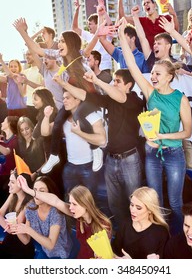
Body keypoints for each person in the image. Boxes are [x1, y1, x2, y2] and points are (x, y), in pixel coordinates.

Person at [118, 17, 192, 236]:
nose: (153, 77)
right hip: (152, 153)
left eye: (158, 74)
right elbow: (131, 65)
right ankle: (161, 238)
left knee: (176, 202)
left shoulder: (181, 98)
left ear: (169, 77)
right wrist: (122, 35)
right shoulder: (150, 92)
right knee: (156, 201)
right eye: (153, 74)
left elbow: (187, 132)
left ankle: (181, 239)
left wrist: (163, 134)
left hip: (175, 153)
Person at [53, 68, 144, 228]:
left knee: (134, 200)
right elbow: (84, 95)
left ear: (129, 85)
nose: (114, 83)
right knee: (114, 204)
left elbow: (121, 98)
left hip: (129, 159)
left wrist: (96, 80)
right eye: (113, 80)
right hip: (111, 159)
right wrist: (62, 83)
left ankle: (135, 234)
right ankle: (122, 234)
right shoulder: (110, 100)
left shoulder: (134, 100)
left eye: (118, 81)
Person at [13, 18, 106, 173]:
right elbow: (38, 50)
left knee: (80, 115)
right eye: (59, 41)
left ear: (72, 44)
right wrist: (22, 32)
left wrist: (97, 34)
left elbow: (89, 47)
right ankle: (54, 155)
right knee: (57, 124)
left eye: (63, 41)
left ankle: (96, 149)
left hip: (92, 98)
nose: (59, 44)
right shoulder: (59, 56)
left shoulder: (80, 56)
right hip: (74, 99)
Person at [17, 176, 112, 259]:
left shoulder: (102, 225)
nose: (70, 207)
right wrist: (28, 190)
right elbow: (56, 201)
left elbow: (104, 257)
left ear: (85, 205)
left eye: (74, 204)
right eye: (70, 203)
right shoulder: (80, 217)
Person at [42, 90, 106, 200]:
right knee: (70, 201)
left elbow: (102, 140)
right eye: (63, 98)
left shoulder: (92, 116)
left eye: (67, 98)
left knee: (90, 202)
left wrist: (79, 133)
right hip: (70, 166)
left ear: (77, 99)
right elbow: (45, 132)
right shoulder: (64, 119)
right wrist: (46, 116)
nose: (64, 101)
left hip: (89, 166)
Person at [13, 175, 72, 259]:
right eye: (35, 190)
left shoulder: (56, 212)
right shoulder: (30, 208)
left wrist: (28, 230)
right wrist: (16, 227)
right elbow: (26, 240)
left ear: (49, 194)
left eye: (42, 191)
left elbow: (51, 245)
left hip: (60, 254)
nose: (37, 194)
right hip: (44, 250)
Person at [112, 186, 169, 259]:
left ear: (150, 210)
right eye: (132, 205)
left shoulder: (161, 233)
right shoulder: (125, 224)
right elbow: (115, 252)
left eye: (138, 208)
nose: (132, 210)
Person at [0, 170, 35, 258]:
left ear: (21, 184)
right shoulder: (13, 196)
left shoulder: (29, 202)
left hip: (22, 245)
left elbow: (15, 228)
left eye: (12, 182)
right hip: (11, 239)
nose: (8, 184)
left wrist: (8, 225)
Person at [72, 0, 113, 74]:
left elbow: (110, 24)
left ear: (97, 24)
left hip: (105, 69)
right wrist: (77, 10)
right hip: (92, 70)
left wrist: (103, 12)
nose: (88, 26)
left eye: (90, 24)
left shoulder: (106, 35)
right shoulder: (89, 35)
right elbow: (74, 28)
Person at [32, 87, 58, 160]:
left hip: (51, 153)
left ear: (44, 99)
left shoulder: (49, 114)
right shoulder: (42, 114)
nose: (33, 102)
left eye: (35, 99)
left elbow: (36, 135)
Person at [16, 116, 46, 181]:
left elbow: (47, 161)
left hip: (41, 175)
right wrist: (16, 169)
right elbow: (23, 159)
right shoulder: (21, 142)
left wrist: (37, 173)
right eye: (22, 130)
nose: (25, 132)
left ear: (31, 127)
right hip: (28, 175)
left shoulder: (40, 140)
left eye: (27, 128)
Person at [0, 116, 19, 206]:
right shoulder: (4, 138)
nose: (2, 123)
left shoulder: (15, 139)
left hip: (9, 174)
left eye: (4, 121)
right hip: (2, 171)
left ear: (9, 124)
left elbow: (7, 151)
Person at [22, 50, 44, 125]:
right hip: (29, 106)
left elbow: (44, 88)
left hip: (41, 106)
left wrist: (28, 82)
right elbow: (23, 93)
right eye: (26, 54)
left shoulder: (42, 69)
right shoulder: (25, 72)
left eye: (29, 54)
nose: (27, 56)